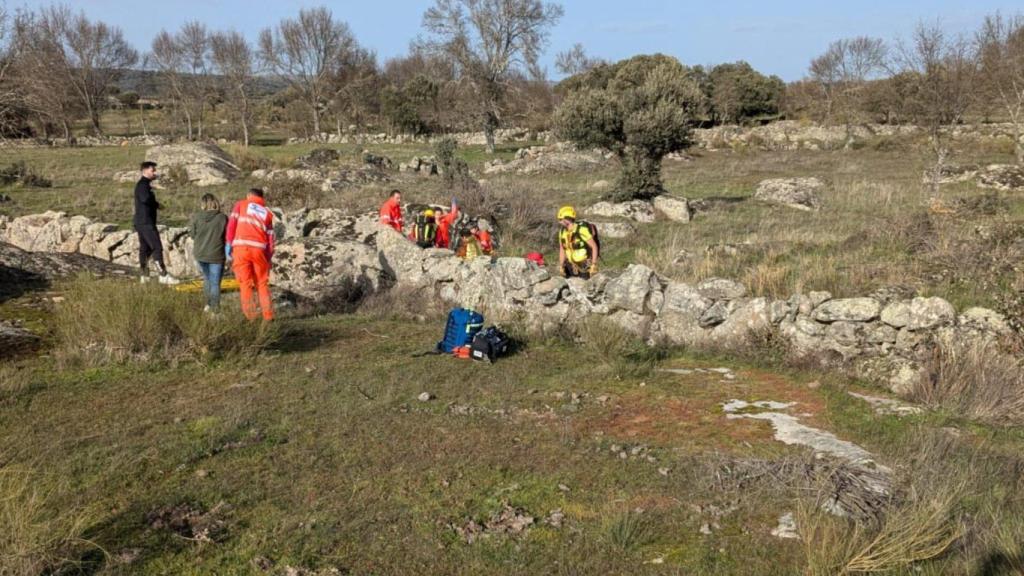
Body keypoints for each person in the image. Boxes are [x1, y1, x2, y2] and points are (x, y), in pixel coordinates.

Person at [226, 188, 275, 321]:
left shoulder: (241, 204)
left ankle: (251, 317)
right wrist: (268, 257)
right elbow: (270, 239)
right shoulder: (267, 213)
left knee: (245, 283)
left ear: (249, 195)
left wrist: (229, 243)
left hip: (241, 248)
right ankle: (268, 317)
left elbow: (231, 225)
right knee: (262, 283)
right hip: (259, 249)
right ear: (261, 198)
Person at [133, 161, 178, 284]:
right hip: (146, 222)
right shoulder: (143, 185)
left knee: (145, 248)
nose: (154, 172)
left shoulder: (145, 185)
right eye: (152, 170)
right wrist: (156, 204)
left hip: (142, 221)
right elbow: (145, 198)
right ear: (145, 170)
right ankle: (163, 275)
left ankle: (144, 276)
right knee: (156, 247)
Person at [189, 194, 228, 313]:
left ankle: (208, 305)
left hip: (200, 254)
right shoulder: (222, 218)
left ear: (203, 203)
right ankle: (215, 310)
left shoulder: (196, 217)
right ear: (215, 202)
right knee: (215, 283)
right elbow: (227, 236)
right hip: (216, 254)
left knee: (207, 279)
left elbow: (192, 235)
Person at [557, 205, 599, 279]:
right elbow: (562, 249)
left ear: (567, 219)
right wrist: (561, 265)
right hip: (570, 266)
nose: (559, 222)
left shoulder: (581, 230)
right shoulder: (562, 231)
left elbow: (594, 247)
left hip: (584, 266)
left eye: (561, 219)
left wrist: (593, 264)